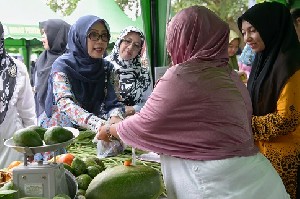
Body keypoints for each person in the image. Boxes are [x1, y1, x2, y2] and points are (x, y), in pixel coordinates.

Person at [96, 6, 290, 199]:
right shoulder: (230, 76)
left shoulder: (182, 76)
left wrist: (110, 130)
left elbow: (147, 123)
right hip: (259, 180)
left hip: (213, 185)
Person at [37, 15, 125, 160]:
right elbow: (65, 103)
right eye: (93, 35)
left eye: (104, 36)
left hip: (90, 134)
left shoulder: (108, 68)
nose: (100, 41)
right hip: (60, 132)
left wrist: (116, 117)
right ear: (80, 37)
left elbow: (114, 100)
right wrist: (98, 124)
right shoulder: (62, 66)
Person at [238, 2, 300, 199]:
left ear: (270, 27)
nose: (247, 38)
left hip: (287, 160)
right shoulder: (263, 59)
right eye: (244, 32)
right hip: (262, 155)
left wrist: (243, 123)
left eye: (253, 30)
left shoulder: (291, 64)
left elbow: (286, 120)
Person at [0, 22, 37, 168]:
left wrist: (31, 148)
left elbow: (27, 113)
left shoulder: (15, 70)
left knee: (11, 187)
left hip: (11, 149)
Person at [105, 26, 152, 117]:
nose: (130, 47)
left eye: (136, 45)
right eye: (127, 41)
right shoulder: (103, 66)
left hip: (134, 122)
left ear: (139, 50)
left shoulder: (144, 73)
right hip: (104, 122)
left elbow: (149, 103)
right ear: (119, 41)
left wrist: (134, 109)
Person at [34, 19, 70, 120]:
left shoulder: (70, 60)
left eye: (45, 33)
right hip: (41, 115)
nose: (42, 38)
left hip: (66, 120)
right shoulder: (42, 58)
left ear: (57, 35)